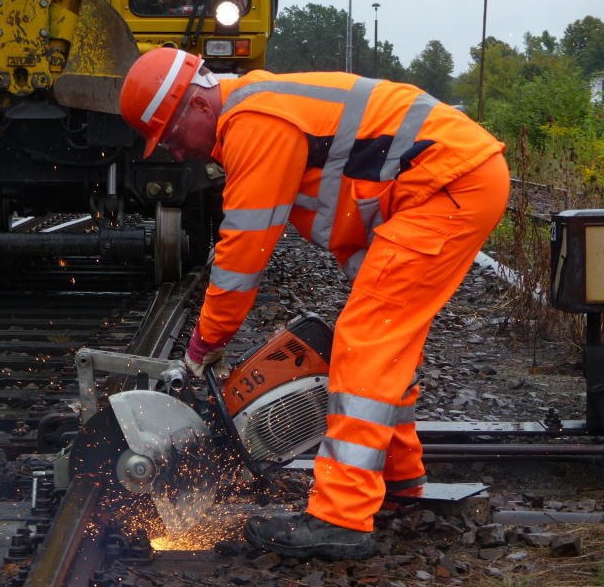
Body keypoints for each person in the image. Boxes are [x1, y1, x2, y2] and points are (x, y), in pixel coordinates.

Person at [118, 47, 510, 561]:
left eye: (170, 135)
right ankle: (397, 478)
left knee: (366, 346)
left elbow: (243, 255)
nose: (176, 151)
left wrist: (205, 343)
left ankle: (339, 519)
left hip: (445, 186)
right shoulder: (258, 108)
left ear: (197, 105)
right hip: (443, 183)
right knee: (386, 346)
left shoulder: (254, 123)